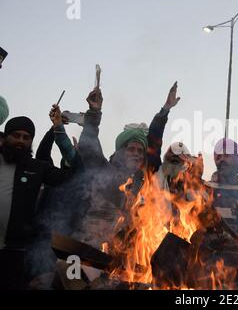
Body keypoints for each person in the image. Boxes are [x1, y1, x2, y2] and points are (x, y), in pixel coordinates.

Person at [72, 82, 180, 249]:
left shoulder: (146, 178)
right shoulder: (105, 171)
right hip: (96, 246)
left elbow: (154, 142)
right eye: (131, 149)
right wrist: (94, 112)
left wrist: (165, 109)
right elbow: (89, 146)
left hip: (131, 253)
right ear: (121, 151)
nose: (137, 153)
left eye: (140, 150)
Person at [0, 116, 74, 289]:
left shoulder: (36, 168)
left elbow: (75, 178)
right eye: (16, 135)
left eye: (26, 137)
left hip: (15, 254)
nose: (20, 141)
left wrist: (61, 136)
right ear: (5, 137)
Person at [207, 138, 238, 235]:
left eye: (226, 156)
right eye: (218, 157)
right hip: (211, 246)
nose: (222, 159)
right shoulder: (206, 187)